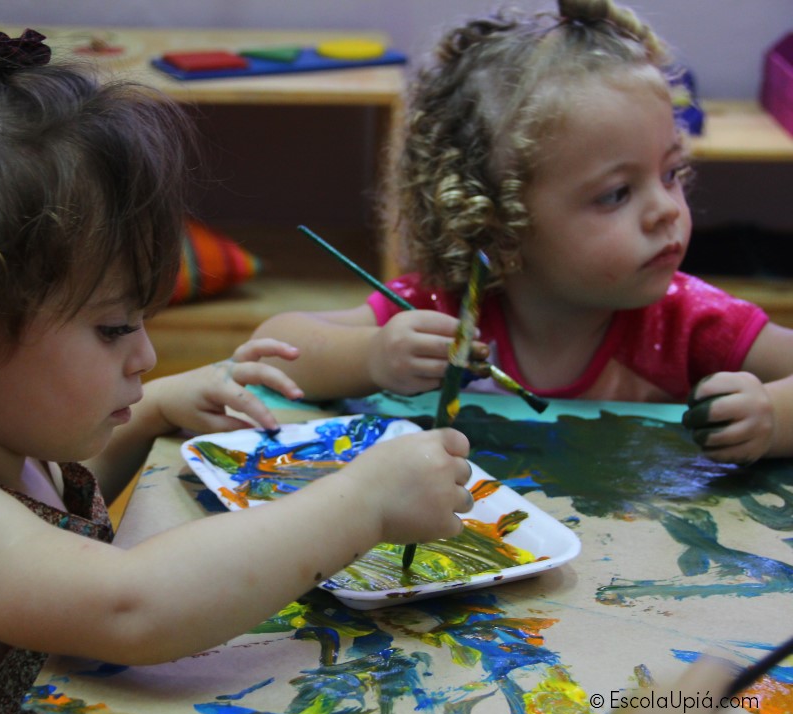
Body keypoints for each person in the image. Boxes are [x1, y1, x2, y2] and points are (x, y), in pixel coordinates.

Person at [0, 25, 475, 714]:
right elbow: (136, 606)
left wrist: (155, 408)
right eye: (113, 329)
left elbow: (47, 512)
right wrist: (364, 504)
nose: (146, 356)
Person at [252, 0, 793, 466]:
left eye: (671, 173)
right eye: (616, 194)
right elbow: (271, 354)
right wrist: (371, 356)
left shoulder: (688, 322)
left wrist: (772, 418)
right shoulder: (445, 313)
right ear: (495, 221)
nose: (665, 210)